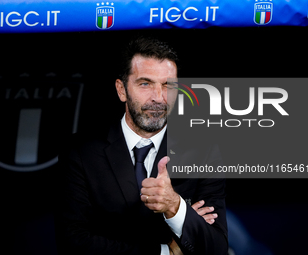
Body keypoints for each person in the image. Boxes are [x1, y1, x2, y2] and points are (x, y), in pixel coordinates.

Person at [54, 36, 228, 255]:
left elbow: (216, 248)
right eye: (145, 84)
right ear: (121, 89)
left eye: (167, 85)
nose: (158, 98)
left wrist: (174, 206)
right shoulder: (80, 151)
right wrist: (166, 251)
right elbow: (73, 244)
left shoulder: (204, 151)